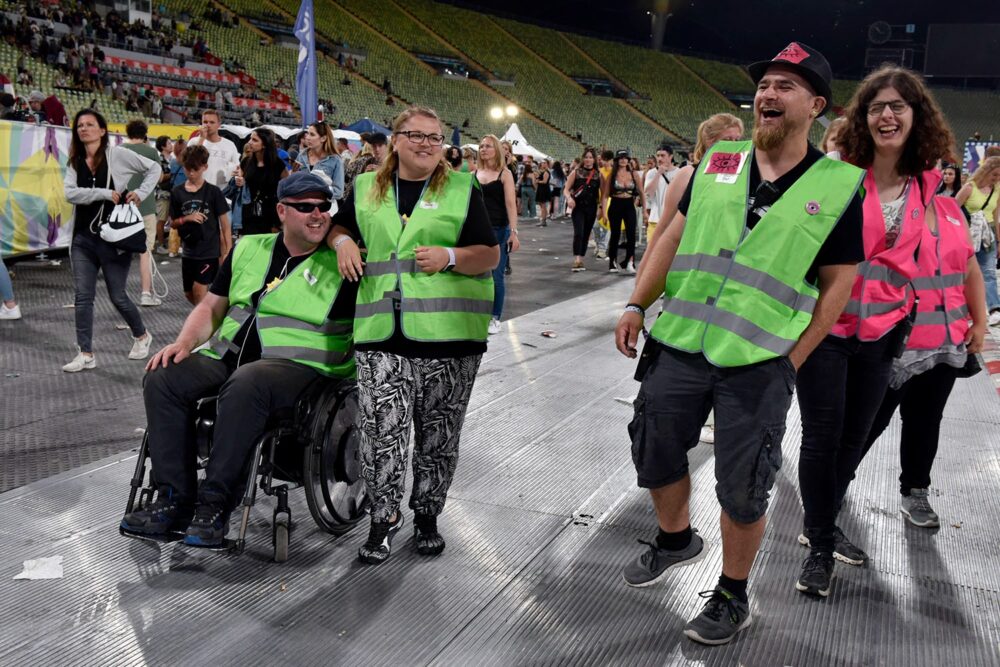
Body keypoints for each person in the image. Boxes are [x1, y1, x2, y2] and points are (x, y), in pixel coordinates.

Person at [614, 42, 864, 644]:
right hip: (680, 340)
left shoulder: (836, 187)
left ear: (816, 106)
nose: (768, 95)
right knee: (652, 448)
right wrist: (635, 302)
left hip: (759, 358)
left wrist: (792, 359)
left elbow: (837, 287)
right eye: (765, 85)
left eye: (785, 87)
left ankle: (732, 593)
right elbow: (671, 239)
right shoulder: (719, 161)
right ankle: (676, 538)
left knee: (744, 483)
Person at [794, 65, 961, 599]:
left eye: (898, 106)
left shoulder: (926, 181)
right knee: (822, 436)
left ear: (917, 116)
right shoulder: (837, 172)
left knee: (855, 437)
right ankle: (820, 546)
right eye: (876, 107)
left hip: (886, 331)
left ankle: (823, 520)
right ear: (863, 118)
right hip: (827, 325)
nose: (887, 115)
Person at [120, 172, 356, 547]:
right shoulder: (250, 248)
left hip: (304, 371)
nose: (317, 215)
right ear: (281, 210)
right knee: (164, 376)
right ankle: (173, 499)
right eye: (305, 207)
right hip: (229, 357)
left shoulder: (343, 262)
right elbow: (212, 305)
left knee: (248, 383)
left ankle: (213, 506)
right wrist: (183, 343)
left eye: (324, 206)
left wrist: (343, 239)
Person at [328, 105, 499, 565]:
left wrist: (448, 255)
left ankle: (427, 515)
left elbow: (489, 255)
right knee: (382, 433)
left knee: (437, 437)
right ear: (397, 140)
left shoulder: (462, 189)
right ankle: (382, 520)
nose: (427, 143)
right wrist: (342, 240)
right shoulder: (366, 187)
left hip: (450, 336)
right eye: (416, 135)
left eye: (434, 136)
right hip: (381, 331)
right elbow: (340, 225)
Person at [856, 132, 987, 534]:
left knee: (926, 420)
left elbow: (969, 268)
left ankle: (916, 490)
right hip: (895, 339)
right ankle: (835, 481)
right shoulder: (886, 206)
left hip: (946, 342)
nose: (932, 170)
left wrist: (978, 321)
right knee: (868, 421)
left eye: (936, 163)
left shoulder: (950, 210)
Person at [62, 108, 160, 372]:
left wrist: (140, 192)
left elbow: (154, 168)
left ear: (102, 130)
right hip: (83, 239)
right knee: (83, 296)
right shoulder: (74, 160)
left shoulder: (117, 154)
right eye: (80, 125)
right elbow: (70, 193)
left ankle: (142, 335)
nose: (84, 128)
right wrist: (104, 193)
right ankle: (85, 353)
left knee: (118, 296)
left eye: (90, 124)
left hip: (114, 239)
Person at [170, 144, 232, 305]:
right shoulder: (177, 192)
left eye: (195, 169)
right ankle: (207, 321)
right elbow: (173, 223)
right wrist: (187, 218)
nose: (190, 173)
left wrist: (227, 253)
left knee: (199, 291)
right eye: (187, 169)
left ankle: (203, 328)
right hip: (189, 252)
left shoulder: (213, 192)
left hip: (209, 252)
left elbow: (225, 225)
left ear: (204, 167)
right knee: (189, 294)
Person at [477, 134, 519, 335]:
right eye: (481, 146)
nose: (483, 149)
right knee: (476, 273)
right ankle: (478, 313)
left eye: (488, 146)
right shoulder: (474, 172)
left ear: (497, 150)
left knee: (496, 275)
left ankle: (495, 316)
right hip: (476, 230)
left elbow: (511, 203)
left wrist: (514, 232)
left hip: (498, 229)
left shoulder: (505, 174)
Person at [121, 120, 163, 306]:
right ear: (145, 133)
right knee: (145, 251)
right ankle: (146, 293)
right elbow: (159, 176)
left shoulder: (119, 150)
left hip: (123, 208)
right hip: (145, 207)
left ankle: (118, 293)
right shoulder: (151, 152)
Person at [956, 156, 1000, 326]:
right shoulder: (969, 188)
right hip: (967, 233)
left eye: (999, 176)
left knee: (988, 272)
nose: (996, 178)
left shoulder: (997, 189)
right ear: (986, 171)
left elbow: (996, 215)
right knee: (964, 271)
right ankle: (962, 307)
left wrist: (999, 240)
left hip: (987, 233)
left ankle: (995, 308)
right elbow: (953, 208)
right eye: (994, 174)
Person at [232, 128, 288, 236]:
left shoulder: (278, 165)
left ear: (264, 145)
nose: (249, 142)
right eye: (250, 138)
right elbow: (241, 184)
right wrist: (239, 181)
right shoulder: (246, 162)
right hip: (247, 213)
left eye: (254, 140)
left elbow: (286, 189)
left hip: (271, 215)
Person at [600, 149, 645, 274]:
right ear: (617, 160)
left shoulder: (634, 174)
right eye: (621, 158)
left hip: (629, 205)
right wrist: (604, 213)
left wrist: (645, 211)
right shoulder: (612, 175)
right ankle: (612, 262)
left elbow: (641, 193)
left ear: (629, 160)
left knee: (631, 235)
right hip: (615, 205)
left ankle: (630, 262)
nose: (624, 160)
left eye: (626, 158)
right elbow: (605, 195)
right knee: (615, 235)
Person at [563, 147, 604, 272]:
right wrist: (569, 198)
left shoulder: (598, 174)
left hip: (592, 207)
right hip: (578, 207)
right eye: (586, 157)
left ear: (594, 159)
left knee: (586, 234)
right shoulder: (576, 172)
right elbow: (565, 189)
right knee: (579, 233)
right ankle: (577, 259)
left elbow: (603, 193)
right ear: (583, 158)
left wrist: (601, 208)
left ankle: (581, 258)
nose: (588, 160)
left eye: (590, 157)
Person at [187, 109, 239, 189]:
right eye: (205, 122)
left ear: (218, 124)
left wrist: (237, 173)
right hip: (198, 189)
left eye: (212, 122)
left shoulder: (230, 145)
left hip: (221, 191)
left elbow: (237, 167)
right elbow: (190, 163)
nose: (208, 125)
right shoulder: (194, 142)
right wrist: (201, 139)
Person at [297, 122, 345, 199]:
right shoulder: (301, 155)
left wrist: (317, 191)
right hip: (302, 204)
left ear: (323, 138)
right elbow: (294, 182)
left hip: (323, 206)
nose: (307, 137)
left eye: (312, 134)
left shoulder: (335, 160)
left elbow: (338, 192)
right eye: (307, 134)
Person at [642, 145, 678, 248]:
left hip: (673, 220)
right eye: (658, 156)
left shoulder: (679, 172)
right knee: (651, 251)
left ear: (671, 156)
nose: (659, 158)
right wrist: (658, 173)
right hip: (655, 219)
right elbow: (648, 194)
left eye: (663, 155)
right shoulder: (651, 173)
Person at [343, 132, 388, 199]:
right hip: (369, 198)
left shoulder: (392, 162)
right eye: (374, 146)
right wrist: (365, 175)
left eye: (380, 145)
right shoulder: (369, 161)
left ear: (386, 146)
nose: (377, 149)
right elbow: (360, 183)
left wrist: (381, 171)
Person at [153, 135, 173, 255]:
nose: (172, 145)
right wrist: (172, 174)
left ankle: (172, 243)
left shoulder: (173, 159)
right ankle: (160, 245)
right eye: (169, 143)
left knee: (173, 220)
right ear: (163, 146)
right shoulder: (159, 160)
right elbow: (159, 178)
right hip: (163, 194)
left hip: (173, 192)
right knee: (161, 220)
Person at [534, 159, 551, 226]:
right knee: (541, 205)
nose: (543, 164)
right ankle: (544, 219)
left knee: (543, 205)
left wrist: (538, 181)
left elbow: (545, 181)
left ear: (547, 164)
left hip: (544, 189)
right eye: (542, 163)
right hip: (541, 189)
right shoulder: (542, 171)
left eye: (545, 163)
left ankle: (543, 220)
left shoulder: (546, 172)